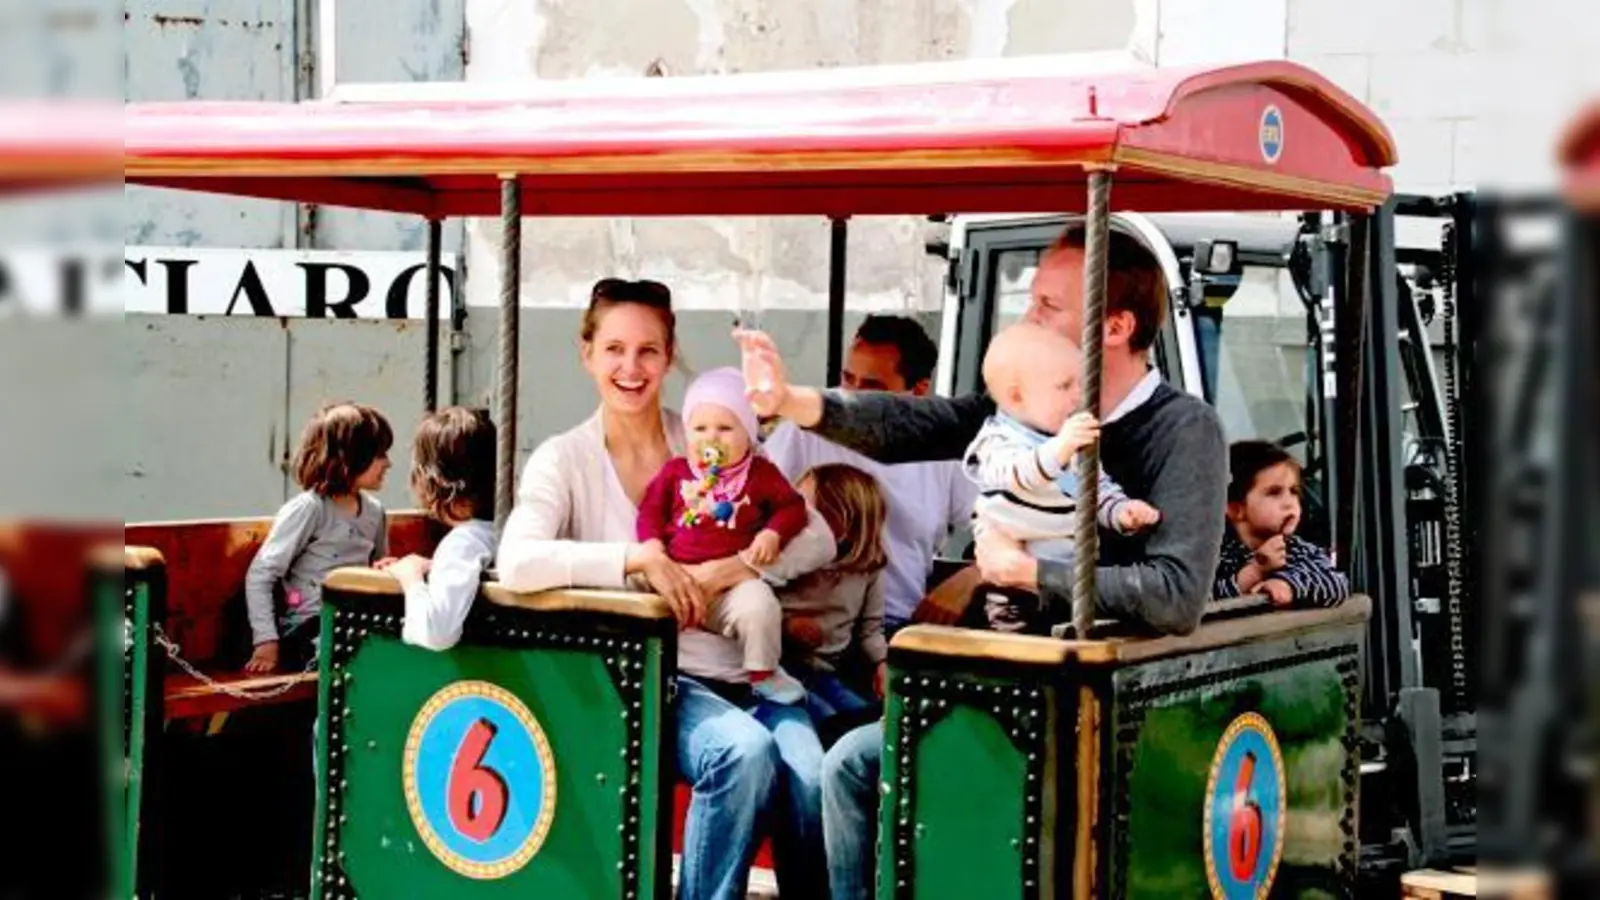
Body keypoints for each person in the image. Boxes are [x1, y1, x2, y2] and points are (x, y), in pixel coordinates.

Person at [738, 226, 1228, 900]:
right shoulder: (1022, 411)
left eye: (1048, 306)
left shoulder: (1184, 431)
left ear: (1115, 327)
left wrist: (1024, 574)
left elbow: (1174, 595)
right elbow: (915, 425)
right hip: (1007, 683)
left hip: (1100, 710)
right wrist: (794, 403)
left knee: (861, 765)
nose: (1028, 319)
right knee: (851, 765)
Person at [495, 277, 836, 900]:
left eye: (648, 350)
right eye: (614, 349)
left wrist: (738, 567)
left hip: (747, 666)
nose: (631, 367)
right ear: (587, 354)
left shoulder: (707, 432)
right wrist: (636, 559)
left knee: (812, 775)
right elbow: (516, 561)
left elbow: (816, 536)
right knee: (741, 753)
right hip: (648, 679)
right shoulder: (564, 459)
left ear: (669, 355)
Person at [763, 314, 977, 635]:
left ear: (919, 391)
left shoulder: (946, 449)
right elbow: (749, 504)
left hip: (897, 626)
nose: (852, 399)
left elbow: (1014, 528)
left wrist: (970, 579)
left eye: (871, 389)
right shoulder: (806, 427)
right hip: (802, 623)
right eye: (848, 379)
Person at [964, 323, 1160, 630]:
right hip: (1016, 591)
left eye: (1080, 384)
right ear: (1016, 396)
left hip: (1068, 577)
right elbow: (1018, 475)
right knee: (1021, 642)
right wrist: (1060, 449)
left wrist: (1121, 511)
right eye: (1064, 386)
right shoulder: (997, 442)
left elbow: (1089, 490)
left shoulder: (1065, 444)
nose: (1077, 396)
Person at [637, 367, 812, 703]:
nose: (712, 438)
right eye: (700, 429)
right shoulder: (676, 472)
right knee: (632, 588)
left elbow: (792, 507)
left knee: (760, 605)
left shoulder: (761, 474)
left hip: (730, 589)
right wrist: (653, 548)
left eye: (725, 428)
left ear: (748, 434)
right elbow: (650, 512)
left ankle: (762, 673)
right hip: (675, 578)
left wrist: (772, 534)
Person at [243, 402, 393, 673]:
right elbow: (262, 574)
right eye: (380, 454)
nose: (388, 463)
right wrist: (266, 640)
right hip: (309, 628)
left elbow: (378, 571)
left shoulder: (375, 512)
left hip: (355, 624)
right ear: (349, 458)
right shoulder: (310, 509)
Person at [779, 463, 890, 732]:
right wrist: (787, 625)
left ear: (846, 522)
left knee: (869, 722)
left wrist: (883, 663)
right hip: (782, 668)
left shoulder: (867, 567)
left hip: (826, 672)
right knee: (829, 721)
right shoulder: (786, 556)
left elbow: (871, 630)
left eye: (809, 509)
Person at [382, 407, 497, 651]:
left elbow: (437, 633)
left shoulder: (462, 543)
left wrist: (411, 577)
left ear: (432, 480)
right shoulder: (498, 533)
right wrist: (435, 567)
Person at [1213, 439, 1348, 608]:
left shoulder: (1297, 550)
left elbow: (1335, 582)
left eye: (1294, 491)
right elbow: (1201, 599)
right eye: (1274, 493)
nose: (1289, 503)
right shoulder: (1215, 555)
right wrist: (1254, 572)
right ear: (1235, 509)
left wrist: (1288, 585)